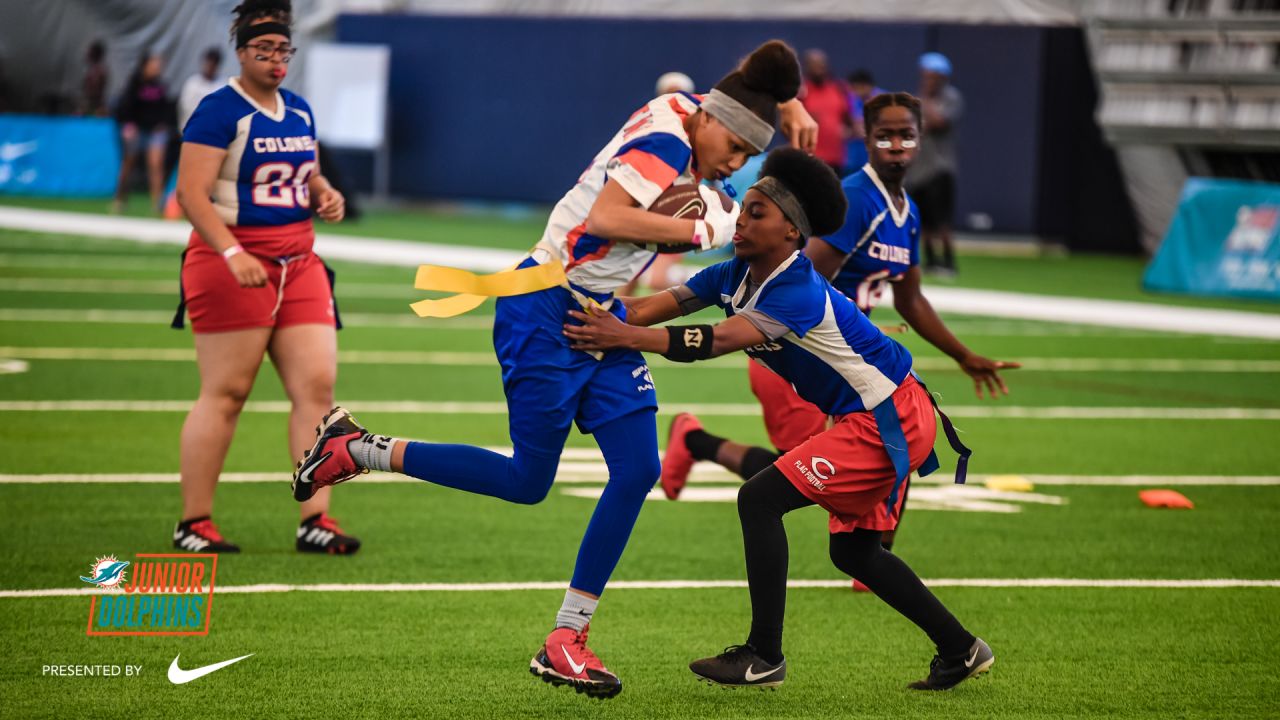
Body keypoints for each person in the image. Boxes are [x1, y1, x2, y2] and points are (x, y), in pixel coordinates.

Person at [290, 40, 818, 700]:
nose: (735, 167)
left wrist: (786, 98)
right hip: (546, 311)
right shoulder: (665, 139)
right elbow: (606, 217)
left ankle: (565, 639)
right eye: (736, 152)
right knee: (526, 480)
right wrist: (700, 231)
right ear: (712, 122)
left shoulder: (694, 108)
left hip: (599, 314)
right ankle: (359, 449)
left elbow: (754, 73)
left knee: (638, 470)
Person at [562, 146, 994, 692]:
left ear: (792, 232)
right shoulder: (733, 273)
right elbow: (654, 306)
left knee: (759, 498)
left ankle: (763, 655)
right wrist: (587, 309)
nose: (740, 220)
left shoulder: (795, 289)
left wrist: (626, 337)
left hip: (889, 417)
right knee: (853, 551)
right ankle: (960, 648)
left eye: (757, 213)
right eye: (743, 210)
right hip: (875, 414)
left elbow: (716, 340)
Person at [659, 95, 1018, 582]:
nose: (896, 146)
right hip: (797, 350)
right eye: (884, 136)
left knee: (808, 476)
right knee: (797, 475)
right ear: (864, 139)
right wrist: (855, 324)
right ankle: (697, 441)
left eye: (907, 135)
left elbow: (910, 299)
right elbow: (800, 281)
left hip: (847, 362)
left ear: (922, 138)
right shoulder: (857, 202)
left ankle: (699, 444)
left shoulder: (905, 210)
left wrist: (963, 355)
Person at [172, 0, 358, 556]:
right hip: (233, 260)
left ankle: (315, 519)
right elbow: (190, 194)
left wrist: (323, 191)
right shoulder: (218, 110)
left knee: (317, 389)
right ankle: (194, 522)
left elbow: (308, 171)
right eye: (265, 50)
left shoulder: (298, 109)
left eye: (283, 50)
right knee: (227, 392)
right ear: (242, 52)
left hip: (299, 262)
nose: (277, 59)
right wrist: (231, 253)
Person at [906, 52, 964, 276]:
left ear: (941, 77)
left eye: (931, 76)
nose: (927, 80)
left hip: (940, 169)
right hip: (918, 170)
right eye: (924, 75)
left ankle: (949, 263)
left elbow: (938, 122)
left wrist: (927, 101)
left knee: (942, 221)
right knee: (924, 221)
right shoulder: (916, 99)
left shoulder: (951, 98)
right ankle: (930, 261)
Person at [113, 52, 173, 214]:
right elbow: (125, 107)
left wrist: (164, 124)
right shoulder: (134, 84)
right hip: (136, 130)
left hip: (154, 132)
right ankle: (119, 198)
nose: (157, 68)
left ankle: (157, 205)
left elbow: (166, 109)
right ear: (144, 66)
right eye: (154, 64)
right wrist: (128, 125)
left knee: (156, 165)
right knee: (128, 165)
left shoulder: (160, 86)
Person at [799, 49, 853, 177]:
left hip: (837, 159)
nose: (819, 69)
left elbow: (849, 121)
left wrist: (847, 130)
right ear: (807, 67)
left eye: (821, 65)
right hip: (810, 158)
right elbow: (788, 128)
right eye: (814, 65)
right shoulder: (802, 92)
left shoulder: (839, 89)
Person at [844, 68, 883, 170]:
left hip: (878, 158)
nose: (854, 92)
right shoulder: (851, 100)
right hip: (855, 159)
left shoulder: (883, 101)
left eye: (856, 88)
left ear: (866, 86)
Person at [178, 48, 225, 132]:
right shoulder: (192, 83)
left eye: (213, 64)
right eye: (208, 63)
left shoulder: (222, 85)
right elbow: (186, 107)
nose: (210, 67)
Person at [81, 40, 109, 117]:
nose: (87, 53)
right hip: (91, 106)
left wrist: (85, 107)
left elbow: (95, 92)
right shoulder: (92, 71)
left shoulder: (99, 72)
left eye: (90, 51)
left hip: (95, 107)